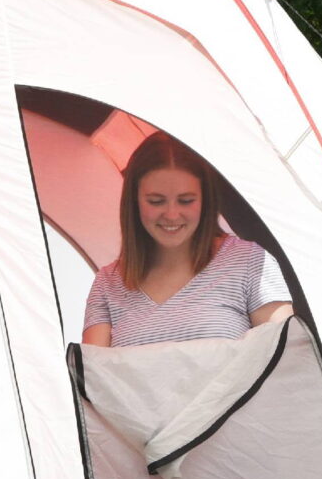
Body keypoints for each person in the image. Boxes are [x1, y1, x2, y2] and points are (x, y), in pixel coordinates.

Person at [79, 134, 293, 348]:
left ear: (205, 200)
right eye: (156, 201)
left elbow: (286, 356)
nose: (172, 215)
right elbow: (94, 367)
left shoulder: (249, 261)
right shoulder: (107, 284)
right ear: (134, 202)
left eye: (186, 200)